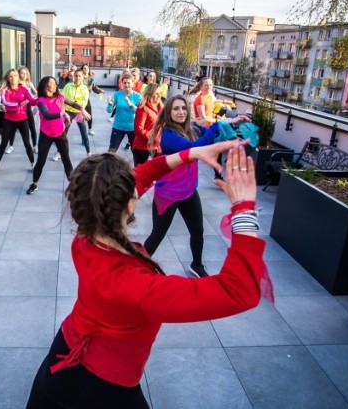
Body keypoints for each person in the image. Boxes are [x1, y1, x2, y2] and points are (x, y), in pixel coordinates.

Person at [26, 143, 267, 408]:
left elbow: (136, 179)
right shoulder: (140, 288)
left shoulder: (83, 239)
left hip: (60, 361)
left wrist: (192, 154)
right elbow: (238, 291)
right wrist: (243, 209)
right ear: (130, 205)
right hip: (105, 387)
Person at [143, 95, 250, 277]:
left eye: (184, 108)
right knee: (157, 234)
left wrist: (231, 121)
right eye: (176, 109)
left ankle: (197, 265)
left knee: (198, 230)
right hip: (168, 195)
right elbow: (195, 149)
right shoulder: (169, 136)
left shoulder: (190, 128)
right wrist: (217, 126)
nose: (181, 112)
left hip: (188, 191)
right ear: (168, 112)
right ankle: (135, 266)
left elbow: (207, 130)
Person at [26, 76, 91, 194]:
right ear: (45, 85)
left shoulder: (60, 97)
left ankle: (72, 186)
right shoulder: (41, 101)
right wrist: (61, 113)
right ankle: (34, 183)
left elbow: (72, 103)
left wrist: (82, 109)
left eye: (55, 83)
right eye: (51, 83)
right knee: (41, 160)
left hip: (60, 133)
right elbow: (46, 115)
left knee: (66, 159)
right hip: (46, 134)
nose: (55, 85)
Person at [0, 69, 36, 172]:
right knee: (4, 143)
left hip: (22, 120)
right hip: (9, 120)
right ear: (8, 78)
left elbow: (32, 101)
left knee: (27, 144)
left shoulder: (23, 89)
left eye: (14, 76)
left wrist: (42, 98)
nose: (13, 78)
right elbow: (7, 103)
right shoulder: (5, 90)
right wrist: (19, 104)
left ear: (18, 77)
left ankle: (33, 163)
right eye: (10, 76)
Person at [57, 68, 91, 160]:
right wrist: (65, 109)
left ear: (83, 77)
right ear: (73, 76)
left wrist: (73, 102)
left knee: (83, 132)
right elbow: (62, 98)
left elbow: (84, 102)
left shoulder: (84, 88)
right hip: (68, 112)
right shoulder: (68, 86)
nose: (78, 77)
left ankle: (88, 152)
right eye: (76, 76)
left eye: (80, 76)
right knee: (63, 131)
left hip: (79, 112)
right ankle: (59, 152)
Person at [5, 67, 38, 155]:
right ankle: (11, 145)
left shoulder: (29, 83)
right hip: (17, 108)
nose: (24, 75)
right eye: (22, 73)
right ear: (18, 74)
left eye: (25, 73)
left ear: (28, 75)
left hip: (27, 107)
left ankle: (35, 145)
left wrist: (30, 91)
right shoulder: (16, 84)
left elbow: (35, 93)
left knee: (32, 126)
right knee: (13, 128)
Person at [107, 73, 142, 152]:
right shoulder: (117, 94)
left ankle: (137, 165)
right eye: (125, 83)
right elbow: (109, 110)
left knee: (136, 152)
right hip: (118, 126)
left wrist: (130, 104)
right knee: (111, 152)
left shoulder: (138, 96)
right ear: (122, 84)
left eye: (129, 83)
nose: (126, 85)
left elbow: (140, 112)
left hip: (132, 128)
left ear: (133, 84)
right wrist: (109, 104)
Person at [131, 84, 162, 166]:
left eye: (160, 93)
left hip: (156, 146)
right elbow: (138, 129)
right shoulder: (143, 107)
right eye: (157, 94)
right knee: (140, 173)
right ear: (149, 94)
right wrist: (152, 137)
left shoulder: (160, 107)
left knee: (159, 170)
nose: (159, 96)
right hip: (142, 147)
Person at [81, 64, 105, 136]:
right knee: (74, 115)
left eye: (87, 68)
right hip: (78, 99)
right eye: (84, 68)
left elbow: (94, 88)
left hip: (86, 99)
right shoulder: (80, 77)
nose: (86, 70)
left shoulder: (90, 78)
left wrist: (100, 91)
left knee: (89, 114)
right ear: (82, 69)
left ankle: (90, 129)